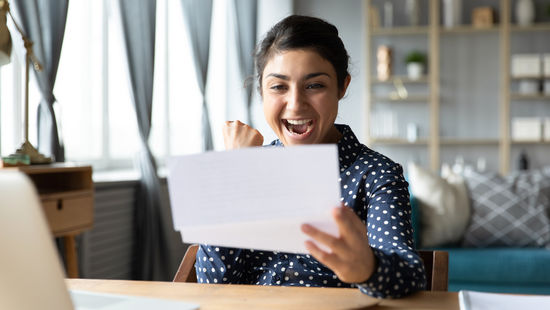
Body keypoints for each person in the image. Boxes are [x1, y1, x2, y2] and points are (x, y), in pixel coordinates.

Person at [194, 15, 426, 298]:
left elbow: (410, 276)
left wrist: (369, 268)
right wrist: (234, 172)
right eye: (278, 87)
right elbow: (213, 284)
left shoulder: (376, 174)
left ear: (342, 87)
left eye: (314, 85)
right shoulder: (248, 167)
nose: (295, 104)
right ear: (261, 93)